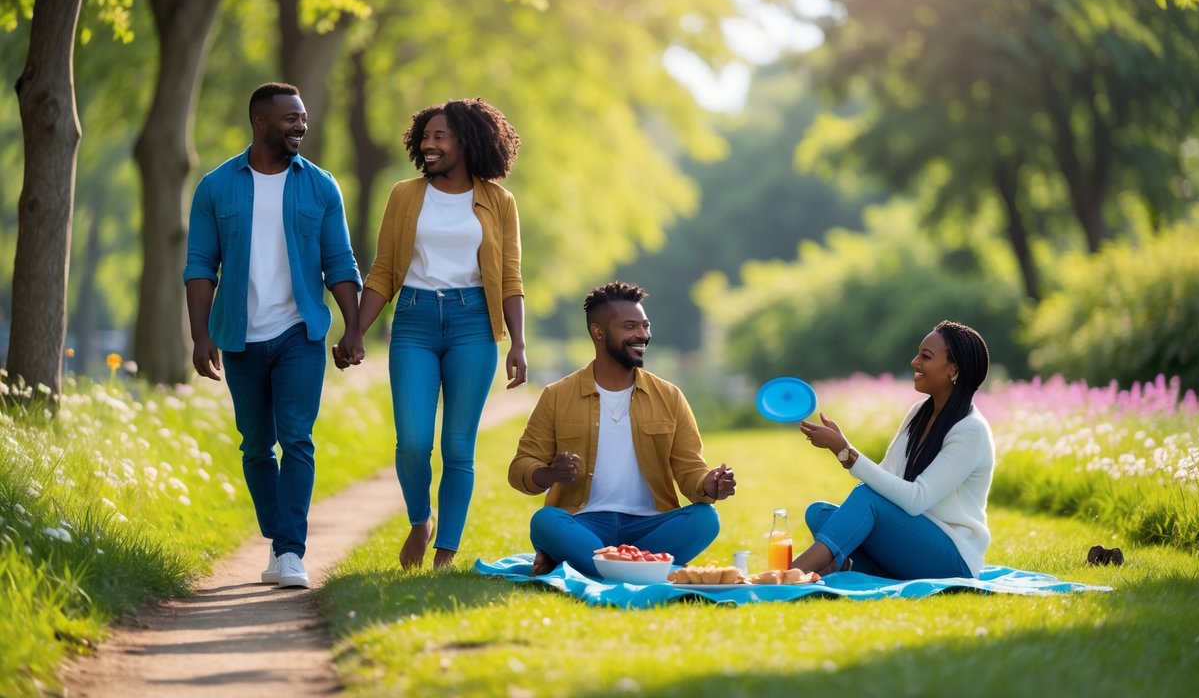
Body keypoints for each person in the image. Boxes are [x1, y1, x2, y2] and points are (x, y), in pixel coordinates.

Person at [184, 82, 363, 589]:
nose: (300, 126)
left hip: (299, 333)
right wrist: (200, 335)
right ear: (260, 121)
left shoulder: (321, 186)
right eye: (290, 119)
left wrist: (353, 328)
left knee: (297, 440)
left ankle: (289, 551)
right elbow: (200, 265)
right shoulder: (216, 187)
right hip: (239, 336)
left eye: (302, 118)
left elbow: (340, 262)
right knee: (256, 446)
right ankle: (278, 531)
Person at [337, 97, 527, 571]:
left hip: (473, 324)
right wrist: (355, 331)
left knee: (459, 446)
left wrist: (518, 344)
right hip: (415, 320)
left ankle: (445, 555)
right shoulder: (405, 195)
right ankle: (421, 519)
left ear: (467, 141)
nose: (429, 145)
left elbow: (509, 277)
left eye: (440, 137)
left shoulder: (498, 201)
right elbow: (382, 271)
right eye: (425, 137)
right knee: (414, 441)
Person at [508, 281, 736, 578]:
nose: (642, 335)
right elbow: (520, 468)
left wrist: (710, 484)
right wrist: (549, 473)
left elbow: (690, 470)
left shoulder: (669, 396)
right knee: (546, 521)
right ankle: (647, 567)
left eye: (645, 326)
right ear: (598, 332)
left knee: (706, 519)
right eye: (630, 326)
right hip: (585, 522)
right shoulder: (557, 396)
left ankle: (589, 565)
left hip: (651, 525)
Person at [792, 319, 994, 580]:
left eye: (926, 356)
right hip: (910, 542)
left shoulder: (970, 431)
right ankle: (849, 567)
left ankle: (788, 573)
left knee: (863, 501)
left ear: (953, 369)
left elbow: (915, 499)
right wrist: (844, 450)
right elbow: (886, 481)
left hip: (953, 559)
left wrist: (847, 454)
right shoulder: (918, 414)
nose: (914, 362)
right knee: (820, 514)